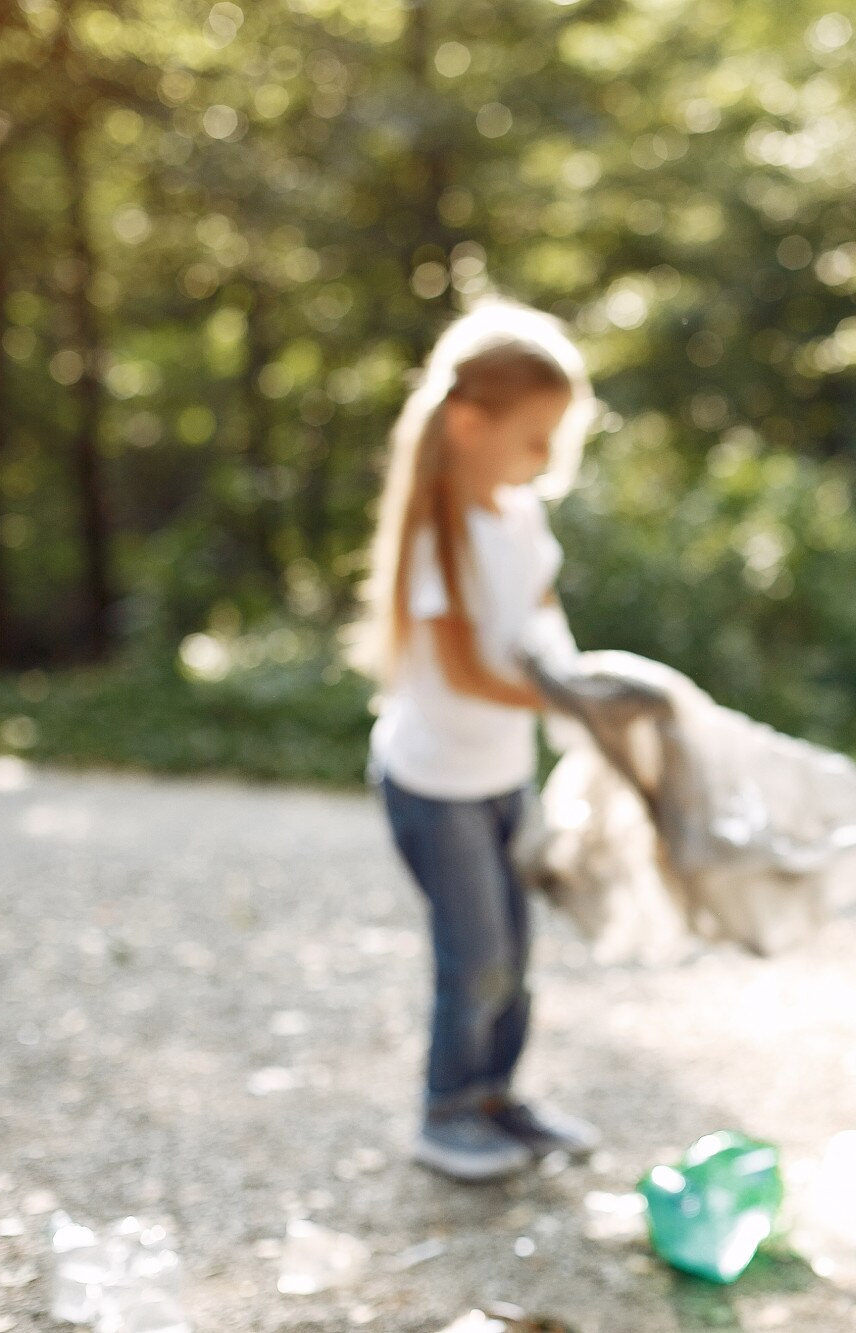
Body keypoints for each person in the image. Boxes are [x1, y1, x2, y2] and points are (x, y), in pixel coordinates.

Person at [346, 298, 603, 1182]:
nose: (545, 460)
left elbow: (540, 625)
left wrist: (582, 691)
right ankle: (445, 1112)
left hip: (501, 775)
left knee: (517, 954)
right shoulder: (435, 532)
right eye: (534, 438)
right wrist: (561, 701)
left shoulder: (520, 516)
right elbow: (462, 671)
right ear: (468, 423)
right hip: (433, 782)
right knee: (477, 953)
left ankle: (497, 1094)